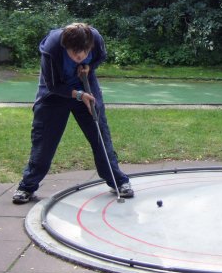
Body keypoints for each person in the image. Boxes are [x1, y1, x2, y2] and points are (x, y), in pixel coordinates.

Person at [12, 22, 133, 204]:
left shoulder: (95, 38)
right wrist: (78, 95)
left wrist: (89, 67)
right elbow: (53, 85)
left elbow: (100, 56)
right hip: (54, 94)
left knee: (100, 135)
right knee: (44, 142)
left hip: (85, 86)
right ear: (65, 46)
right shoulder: (52, 47)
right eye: (74, 52)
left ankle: (119, 181)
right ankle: (27, 186)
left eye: (84, 52)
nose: (79, 56)